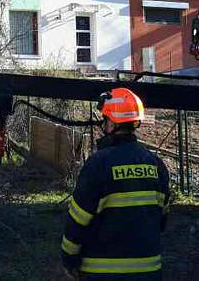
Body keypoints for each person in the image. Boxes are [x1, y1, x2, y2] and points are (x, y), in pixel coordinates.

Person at [60, 88, 170, 280]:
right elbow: (161, 219)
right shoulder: (156, 165)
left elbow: (78, 220)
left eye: (105, 120)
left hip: (101, 272)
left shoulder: (98, 164)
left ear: (111, 123)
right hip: (149, 271)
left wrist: (69, 258)